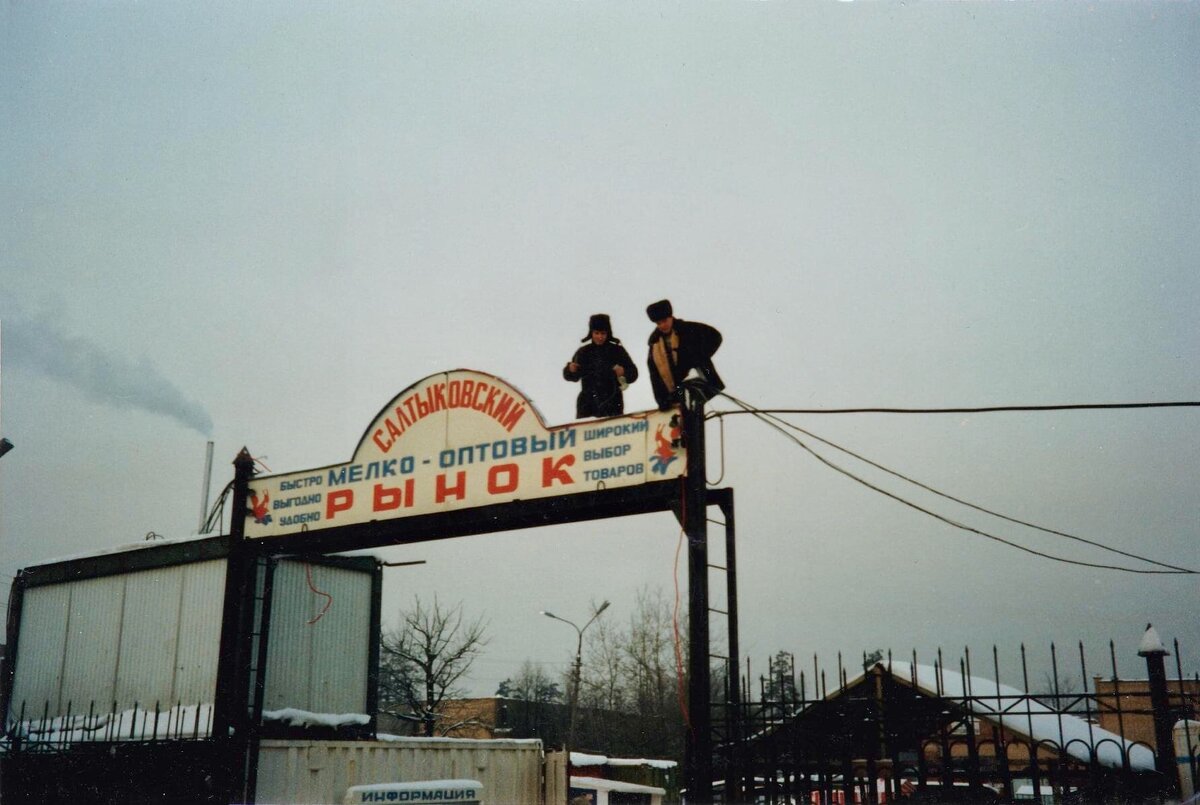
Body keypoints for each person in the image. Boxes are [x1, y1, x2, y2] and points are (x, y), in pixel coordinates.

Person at [645, 299, 724, 410]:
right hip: (676, 393)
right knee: (687, 417)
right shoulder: (654, 345)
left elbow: (715, 337)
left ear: (671, 317)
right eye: (658, 323)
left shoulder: (689, 329)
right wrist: (661, 400)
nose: (662, 325)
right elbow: (655, 375)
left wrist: (700, 358)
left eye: (664, 320)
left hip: (702, 382)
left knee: (695, 410)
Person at [563, 314, 639, 418]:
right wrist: (570, 370)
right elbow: (571, 376)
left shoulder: (617, 351)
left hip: (612, 403)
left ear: (608, 333)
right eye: (596, 333)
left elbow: (633, 373)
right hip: (587, 405)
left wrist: (624, 372)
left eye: (603, 333)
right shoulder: (583, 352)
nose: (600, 337)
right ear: (591, 333)